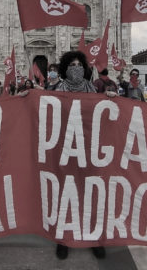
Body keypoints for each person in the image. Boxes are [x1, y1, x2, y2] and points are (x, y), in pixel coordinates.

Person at [47, 51, 107, 259]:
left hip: (88, 148)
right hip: (64, 148)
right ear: (65, 68)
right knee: (64, 193)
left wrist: (111, 99)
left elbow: (103, 113)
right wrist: (25, 97)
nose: (76, 68)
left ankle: (94, 237)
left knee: (90, 192)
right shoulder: (56, 89)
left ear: (85, 67)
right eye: (72, 64)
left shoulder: (93, 89)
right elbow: (42, 110)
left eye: (79, 64)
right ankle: (63, 238)